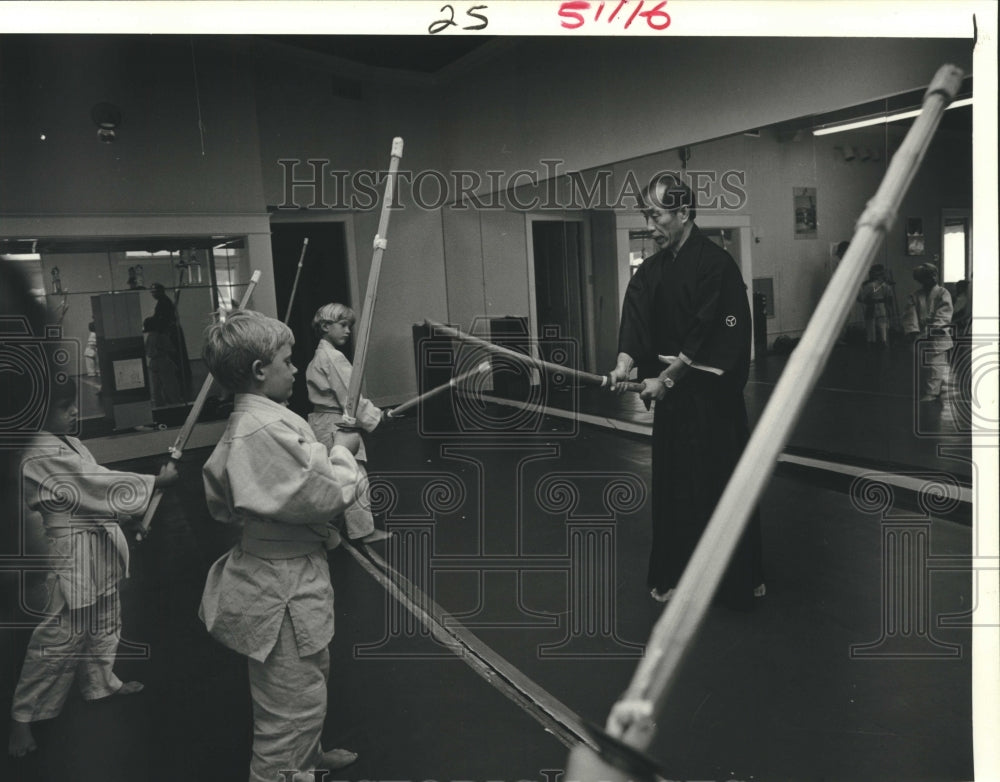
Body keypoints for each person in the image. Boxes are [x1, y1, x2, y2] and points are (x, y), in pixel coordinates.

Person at [197, 309, 363, 782]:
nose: (294, 370)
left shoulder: (263, 421)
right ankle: (281, 771)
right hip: (279, 586)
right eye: (287, 361)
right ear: (259, 371)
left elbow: (226, 501)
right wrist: (343, 453)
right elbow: (324, 495)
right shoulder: (261, 429)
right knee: (286, 709)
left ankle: (307, 758)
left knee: (308, 684)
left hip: (289, 571)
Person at [608, 174, 763, 608]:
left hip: (712, 401)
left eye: (656, 216)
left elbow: (717, 332)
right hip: (673, 403)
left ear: (684, 213)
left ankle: (734, 582)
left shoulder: (717, 266)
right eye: (647, 215)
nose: (651, 224)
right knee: (675, 490)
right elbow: (636, 318)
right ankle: (675, 576)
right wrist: (625, 361)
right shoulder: (654, 270)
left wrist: (670, 379)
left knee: (717, 487)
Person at [8, 378, 178, 757]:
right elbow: (92, 483)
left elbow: (92, 497)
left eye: (73, 405)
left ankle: (101, 683)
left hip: (97, 542)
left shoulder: (71, 443)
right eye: (63, 407)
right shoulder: (36, 453)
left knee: (105, 618)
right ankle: (21, 718)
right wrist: (153, 484)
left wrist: (128, 517)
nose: (73, 413)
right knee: (61, 635)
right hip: (71, 549)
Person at [306, 303, 391, 545]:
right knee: (355, 476)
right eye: (343, 325)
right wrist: (377, 417)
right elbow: (350, 397)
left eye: (349, 326)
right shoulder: (333, 358)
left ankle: (330, 524)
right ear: (325, 326)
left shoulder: (320, 355)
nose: (348, 331)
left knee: (332, 474)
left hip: (323, 421)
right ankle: (364, 531)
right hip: (335, 423)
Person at [902, 263, 953, 404]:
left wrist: (935, 328)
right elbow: (910, 314)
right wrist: (912, 330)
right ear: (921, 280)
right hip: (921, 334)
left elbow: (945, 312)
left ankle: (932, 393)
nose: (932, 279)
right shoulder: (915, 296)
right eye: (927, 277)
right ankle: (933, 387)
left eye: (933, 275)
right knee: (926, 366)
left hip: (938, 335)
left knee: (935, 365)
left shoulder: (943, 293)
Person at [143, 316, 183, 406]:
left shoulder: (149, 337)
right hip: (163, 362)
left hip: (153, 363)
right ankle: (176, 405)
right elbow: (171, 349)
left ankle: (160, 407)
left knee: (156, 389)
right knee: (171, 386)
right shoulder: (161, 336)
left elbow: (147, 351)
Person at [857, 265, 894, 347]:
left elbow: (861, 297)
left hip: (871, 306)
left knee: (870, 324)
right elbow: (889, 298)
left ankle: (871, 342)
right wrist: (889, 308)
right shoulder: (887, 286)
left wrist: (860, 297)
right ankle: (883, 341)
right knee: (882, 324)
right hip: (882, 306)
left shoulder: (869, 285)